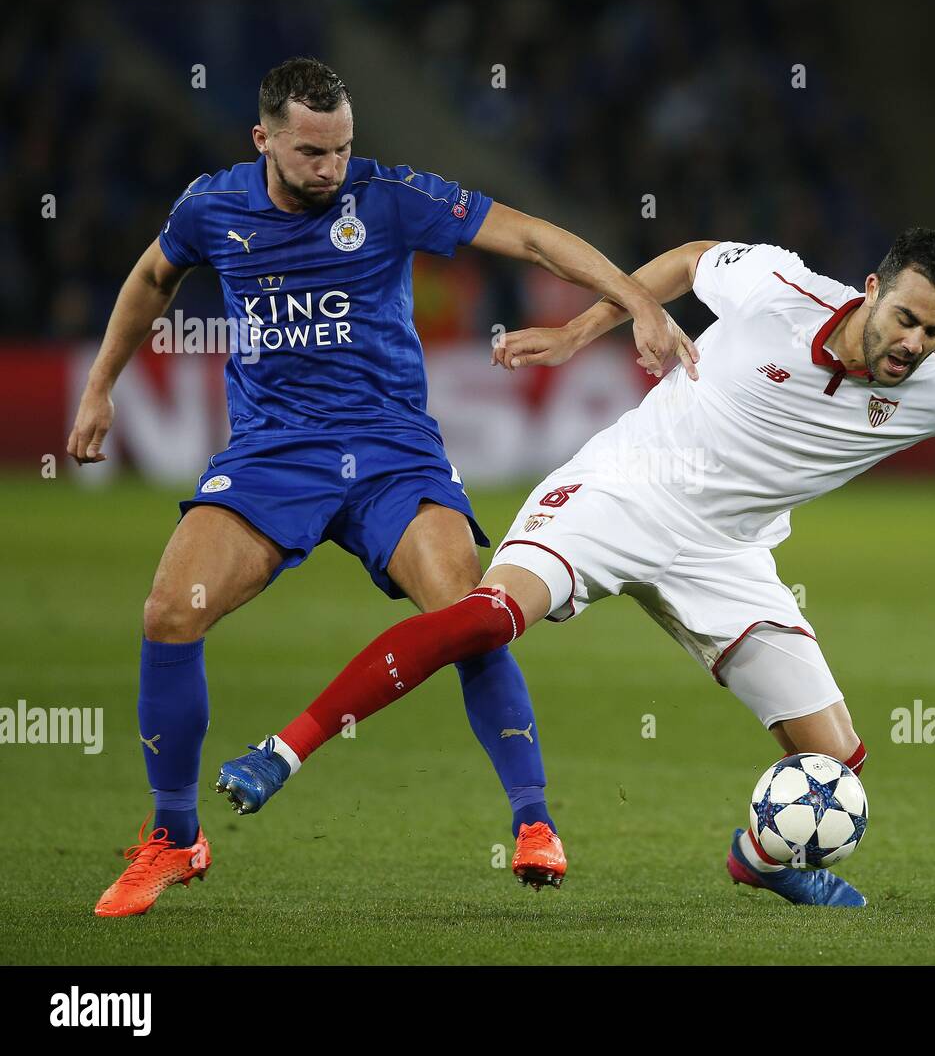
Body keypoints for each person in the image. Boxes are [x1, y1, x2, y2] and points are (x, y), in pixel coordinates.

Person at [215, 228, 935, 907]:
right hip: (623, 491)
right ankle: (287, 746)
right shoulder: (779, 288)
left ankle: (759, 860)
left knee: (834, 765)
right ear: (870, 291)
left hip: (730, 553)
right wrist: (583, 327)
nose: (914, 344)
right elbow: (692, 254)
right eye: (905, 318)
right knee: (486, 618)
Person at [71, 57, 696, 917]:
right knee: (169, 613)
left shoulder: (390, 197)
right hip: (272, 456)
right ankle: (175, 839)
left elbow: (533, 236)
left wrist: (638, 302)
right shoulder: (212, 207)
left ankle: (533, 821)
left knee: (467, 614)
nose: (331, 169)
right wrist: (102, 385)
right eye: (311, 153)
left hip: (392, 451)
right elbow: (151, 280)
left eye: (342, 149)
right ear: (264, 141)